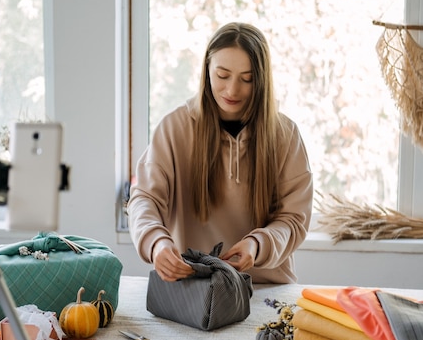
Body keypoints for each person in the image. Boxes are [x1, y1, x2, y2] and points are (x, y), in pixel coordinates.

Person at [127, 22, 313, 284]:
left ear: (261, 80)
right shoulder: (174, 128)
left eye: (246, 79)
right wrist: (156, 243)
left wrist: (257, 245)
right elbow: (144, 199)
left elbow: (294, 219)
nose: (232, 90)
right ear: (206, 71)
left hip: (264, 288)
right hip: (195, 290)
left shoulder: (285, 135)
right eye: (222, 75)